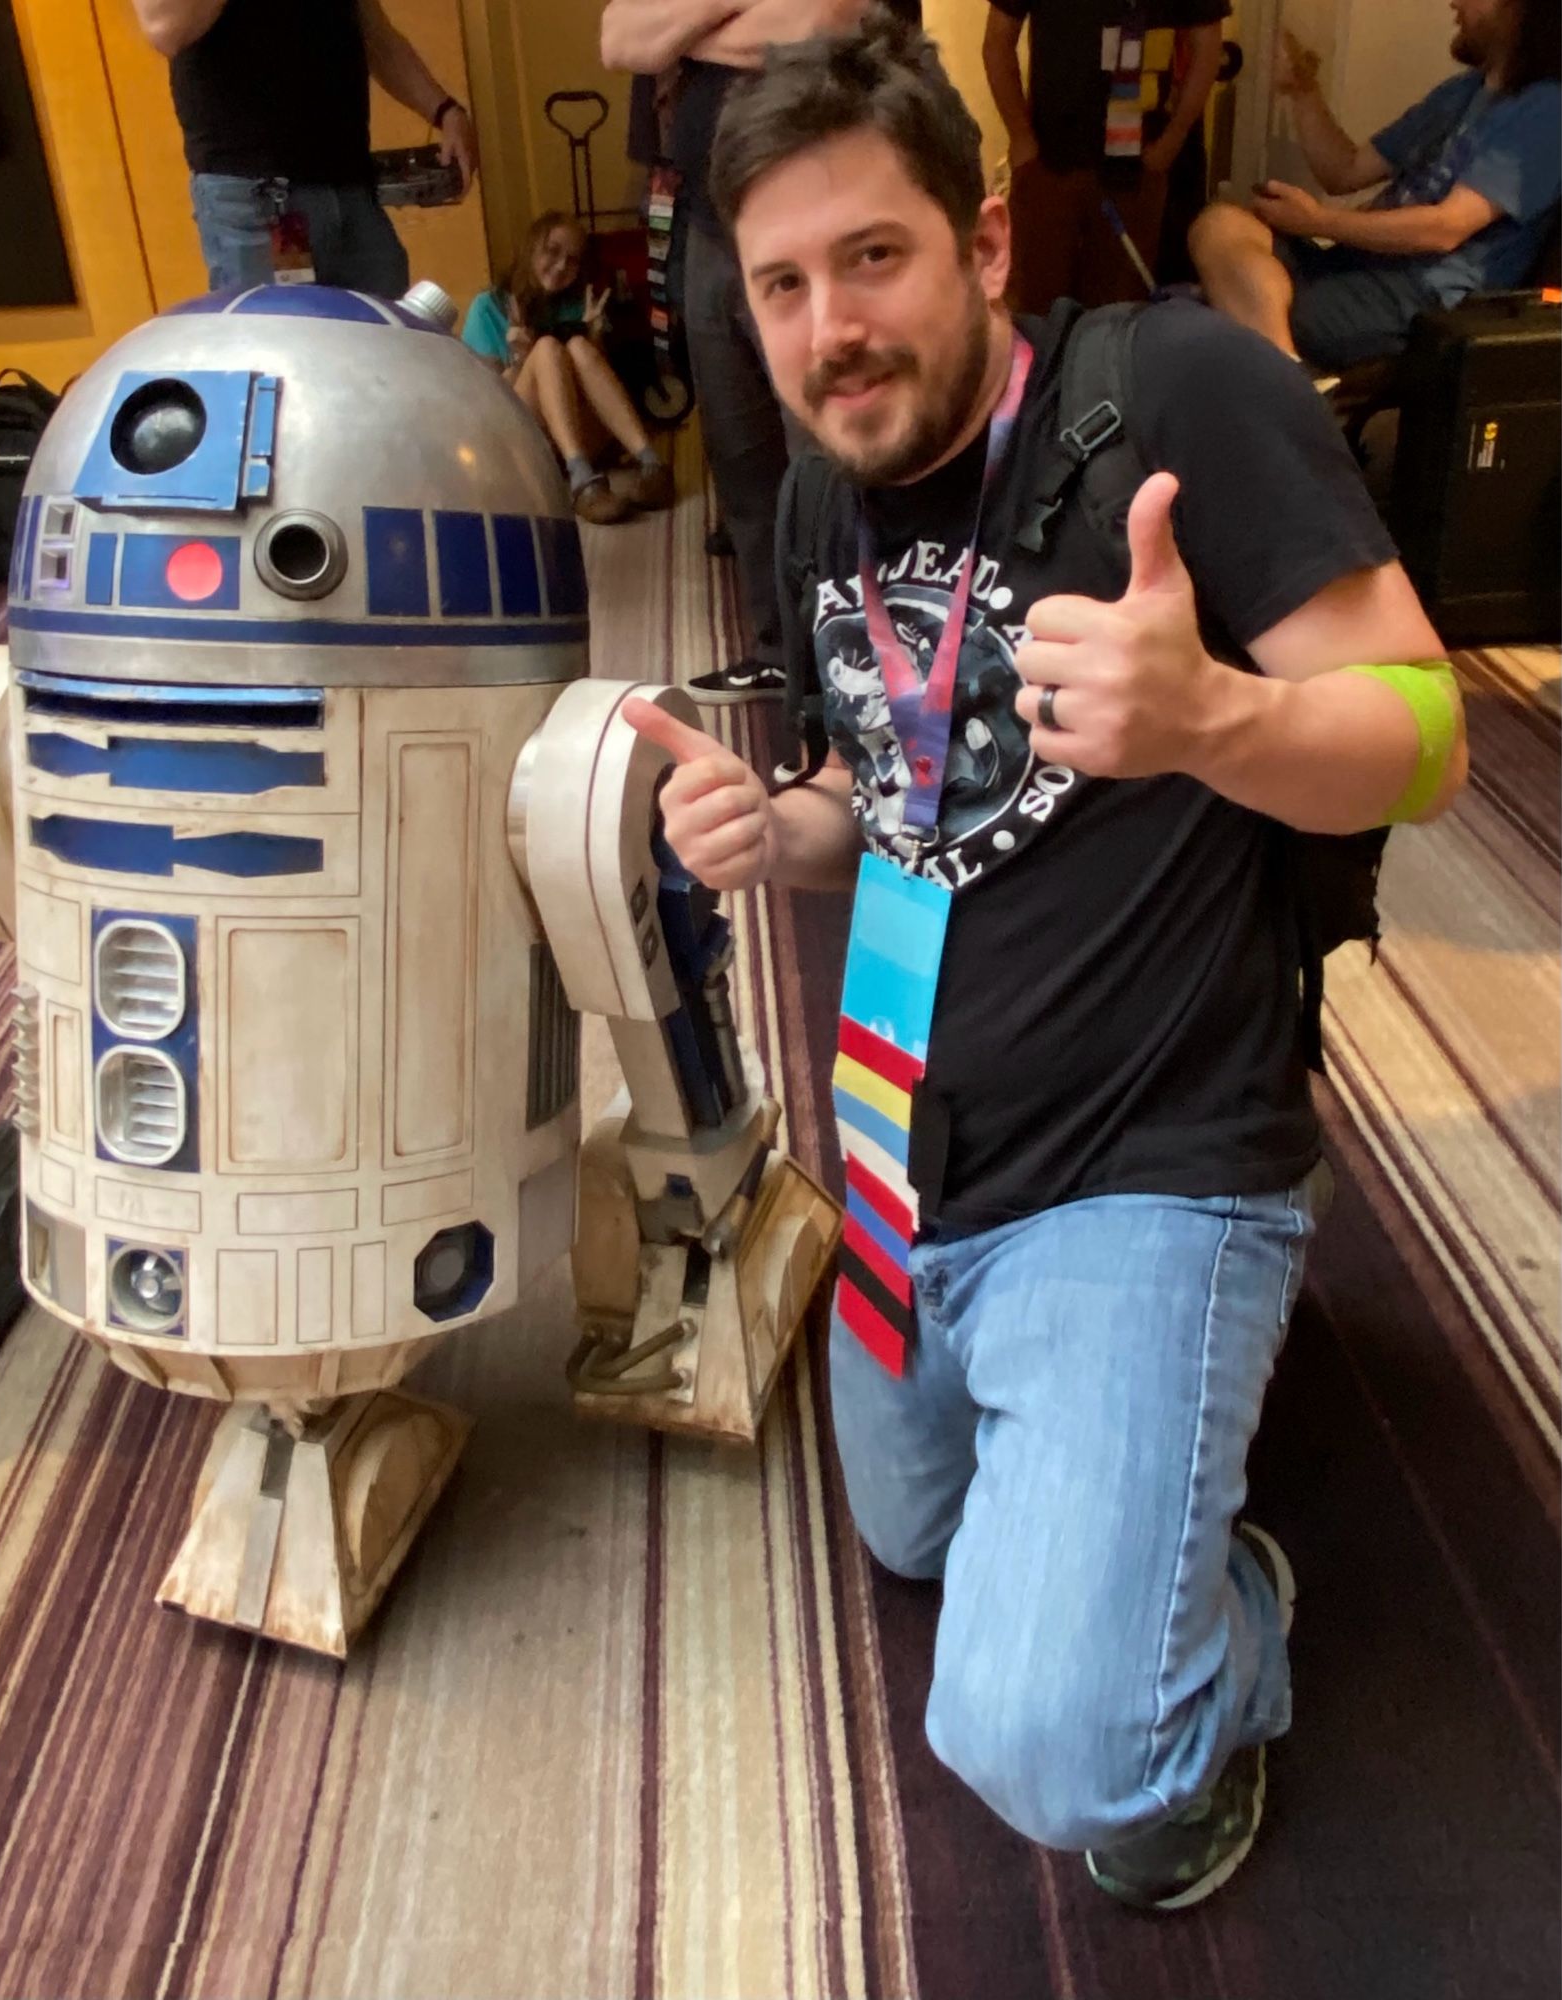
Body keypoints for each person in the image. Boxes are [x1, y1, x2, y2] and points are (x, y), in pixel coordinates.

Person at [624, 9, 1467, 1911]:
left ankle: (1232, 1608)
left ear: (984, 246)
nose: (832, 326)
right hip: (910, 1146)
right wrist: (793, 827)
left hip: (1153, 1154)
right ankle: (1114, 1482)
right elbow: (897, 776)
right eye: (781, 284)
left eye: (875, 257)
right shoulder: (819, 491)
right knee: (911, 1541)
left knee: (1064, 1753)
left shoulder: (1174, 396)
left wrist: (1216, 726)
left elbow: (1429, 729)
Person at [601, 0, 912, 705]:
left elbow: (827, 22)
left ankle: (861, 653)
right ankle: (779, 651)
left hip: (814, 211)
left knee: (829, 454)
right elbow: (622, 39)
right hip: (708, 225)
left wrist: (685, 34)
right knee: (740, 457)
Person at [1189, 0, 1561, 375]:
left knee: (1233, 310)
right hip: (1354, 264)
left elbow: (1444, 229)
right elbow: (1343, 171)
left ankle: (1285, 391)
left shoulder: (1546, 108)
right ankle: (1290, 380)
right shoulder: (1460, 92)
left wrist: (1316, 222)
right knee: (1221, 225)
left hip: (1418, 297)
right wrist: (1302, 91)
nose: (1454, 2)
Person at [132, 0, 479, 297]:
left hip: (351, 188)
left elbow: (375, 34)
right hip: (256, 201)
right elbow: (165, 26)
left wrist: (444, 110)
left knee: (382, 352)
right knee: (281, 360)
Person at [984, 0, 1226, 313]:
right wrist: (1020, 139)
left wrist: (1171, 141)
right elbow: (997, 41)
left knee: (1119, 314)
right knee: (1034, 310)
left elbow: (1207, 49)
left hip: (1137, 169)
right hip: (1047, 162)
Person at [460, 212, 672, 526]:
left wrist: (596, 339)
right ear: (532, 247)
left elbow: (599, 393)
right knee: (547, 349)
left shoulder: (577, 303)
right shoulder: (489, 306)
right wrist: (520, 360)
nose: (561, 266)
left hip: (578, 434)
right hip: (521, 441)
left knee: (578, 348)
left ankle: (652, 465)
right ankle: (583, 480)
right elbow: (483, 408)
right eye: (553, 251)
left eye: (572, 260)